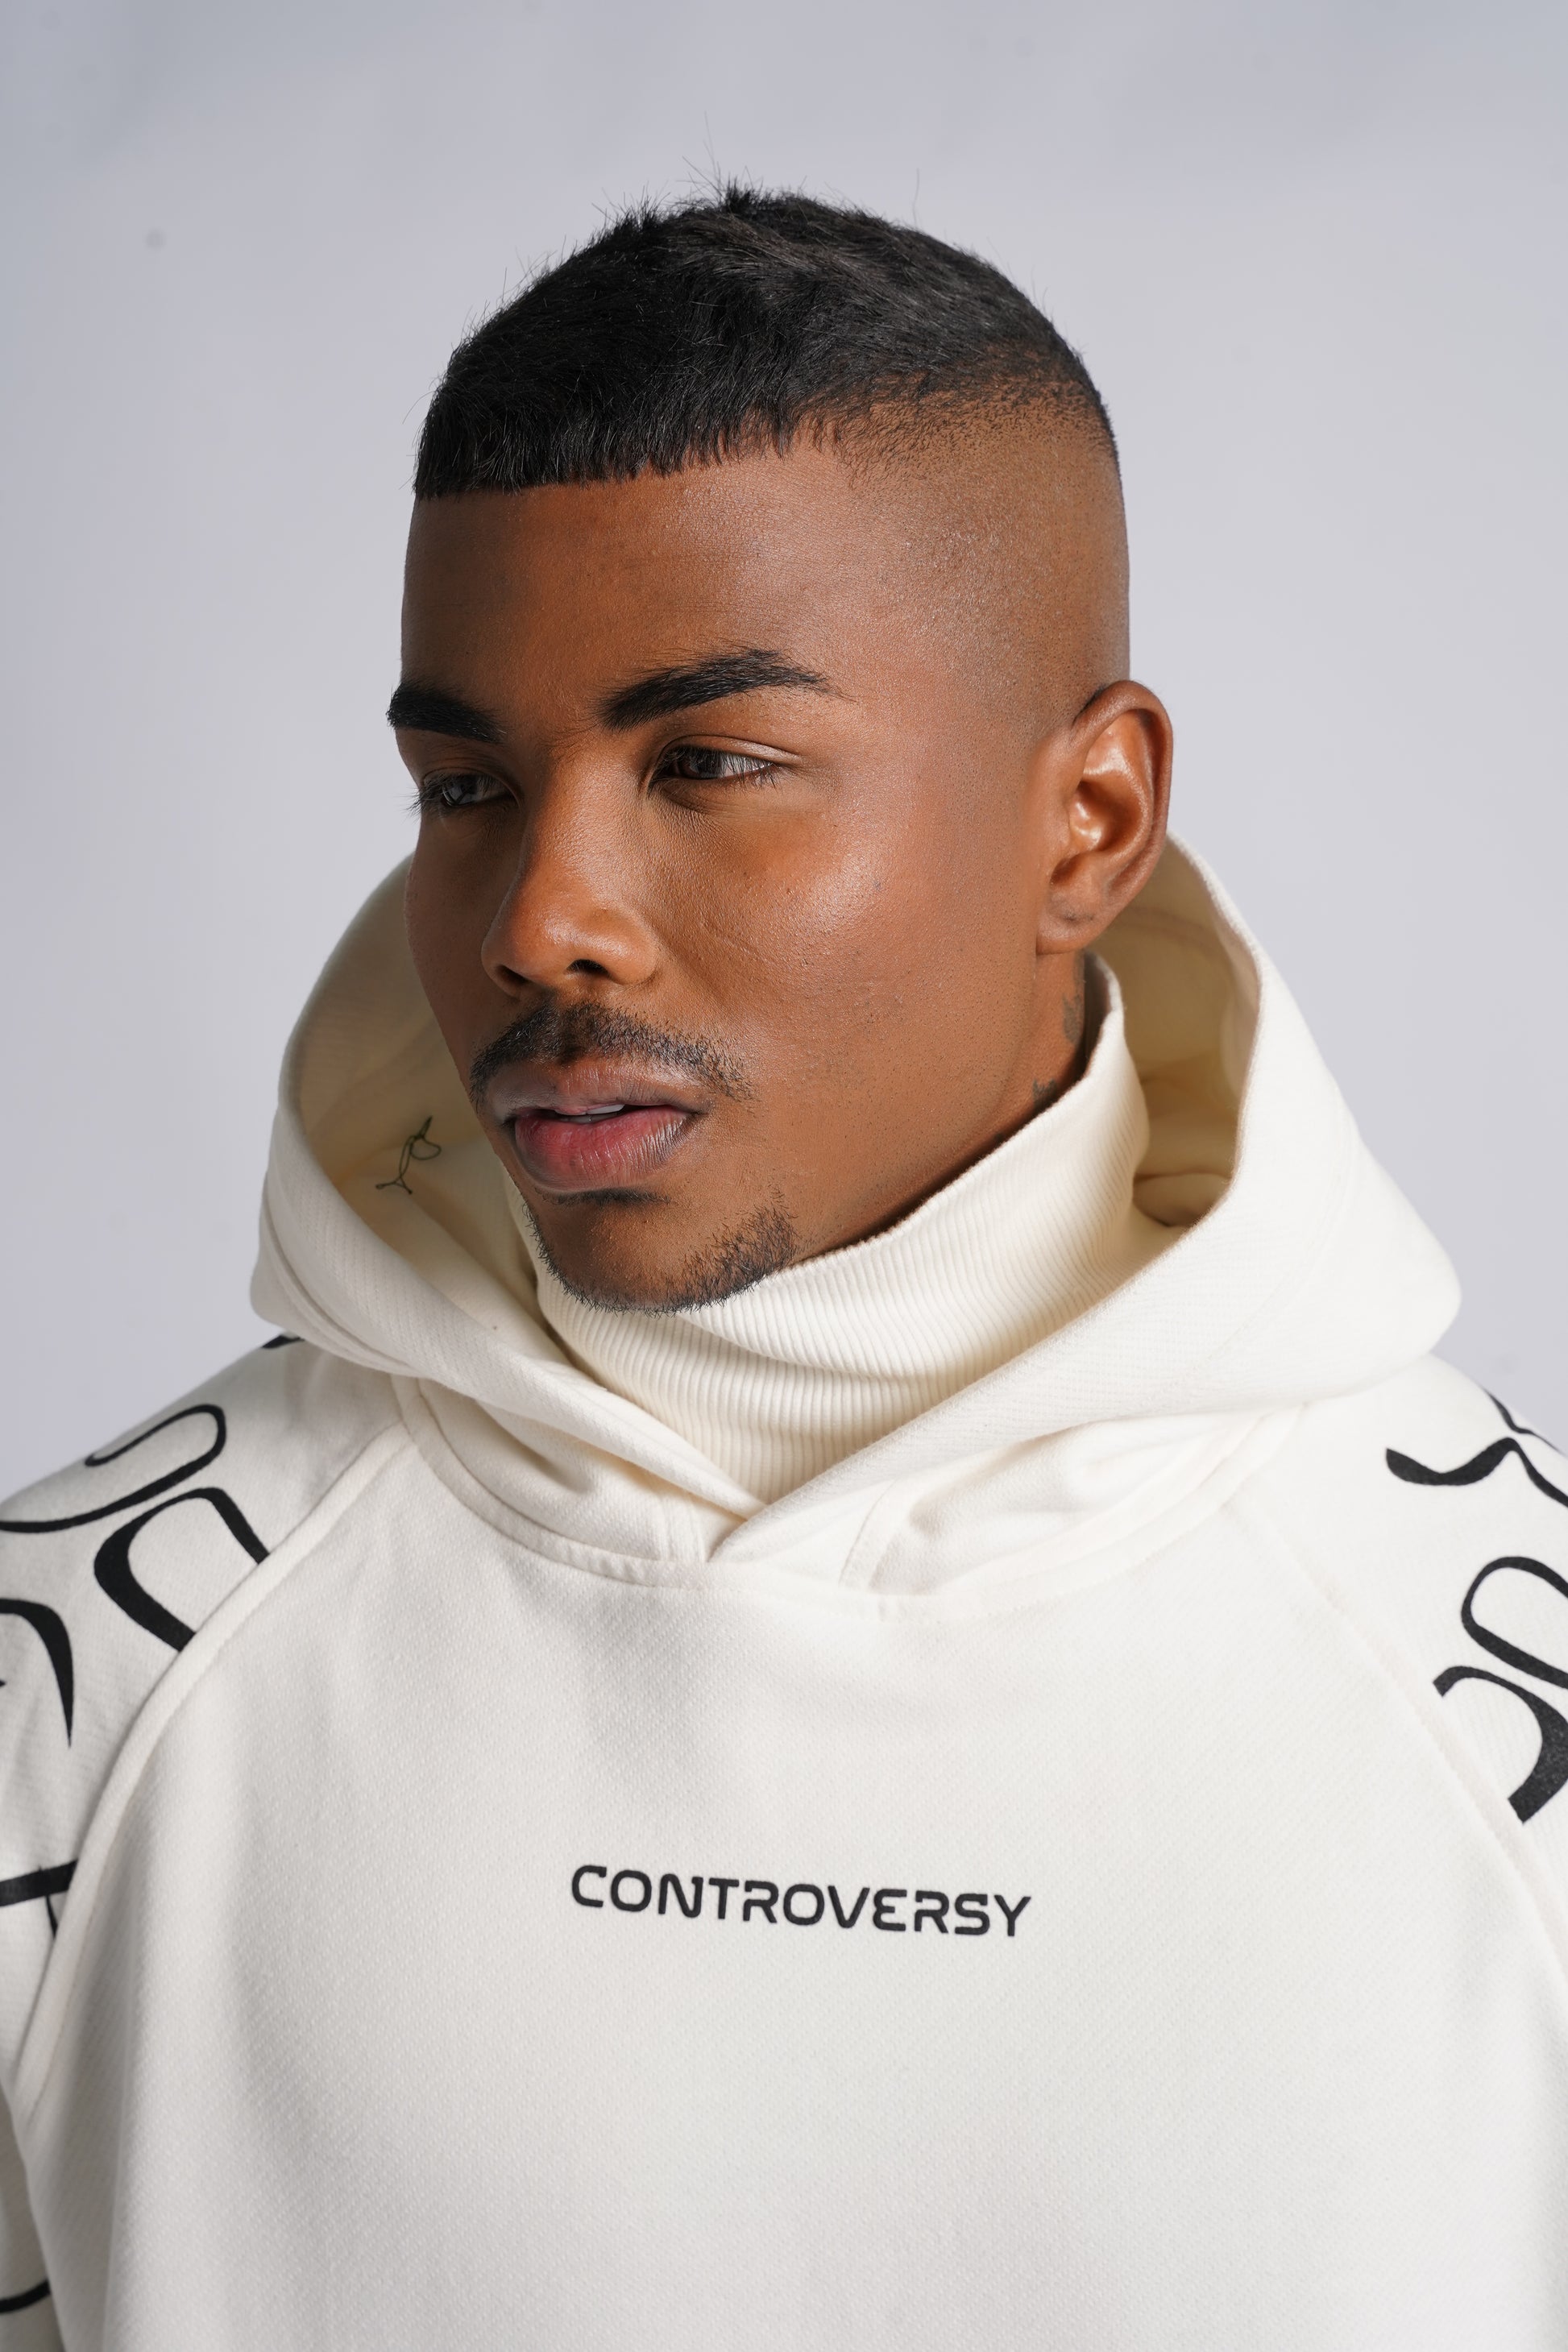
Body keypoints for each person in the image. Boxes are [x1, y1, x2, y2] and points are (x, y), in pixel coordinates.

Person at [0, 185, 1563, 2352]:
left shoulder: (1500, 1688)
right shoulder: (76, 1669)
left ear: (1092, 820)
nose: (541, 919)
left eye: (709, 765)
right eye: (464, 784)